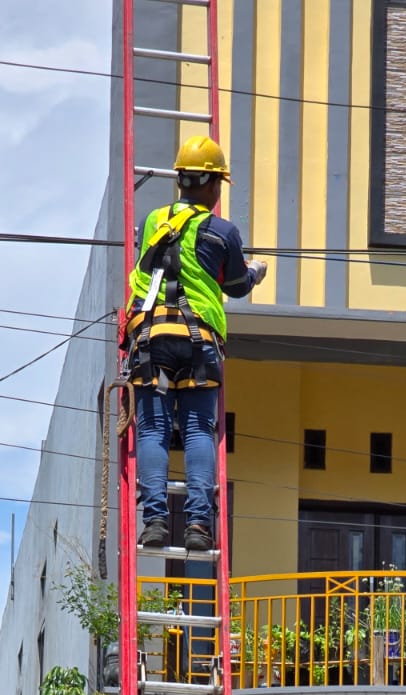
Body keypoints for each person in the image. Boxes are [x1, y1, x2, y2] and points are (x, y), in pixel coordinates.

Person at [124, 135, 268, 554]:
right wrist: (255, 271)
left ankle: (154, 521)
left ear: (181, 180)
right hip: (198, 341)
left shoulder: (152, 222)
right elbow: (236, 285)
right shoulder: (223, 231)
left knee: (152, 428)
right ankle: (198, 525)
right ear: (213, 184)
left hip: (151, 337)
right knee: (197, 429)